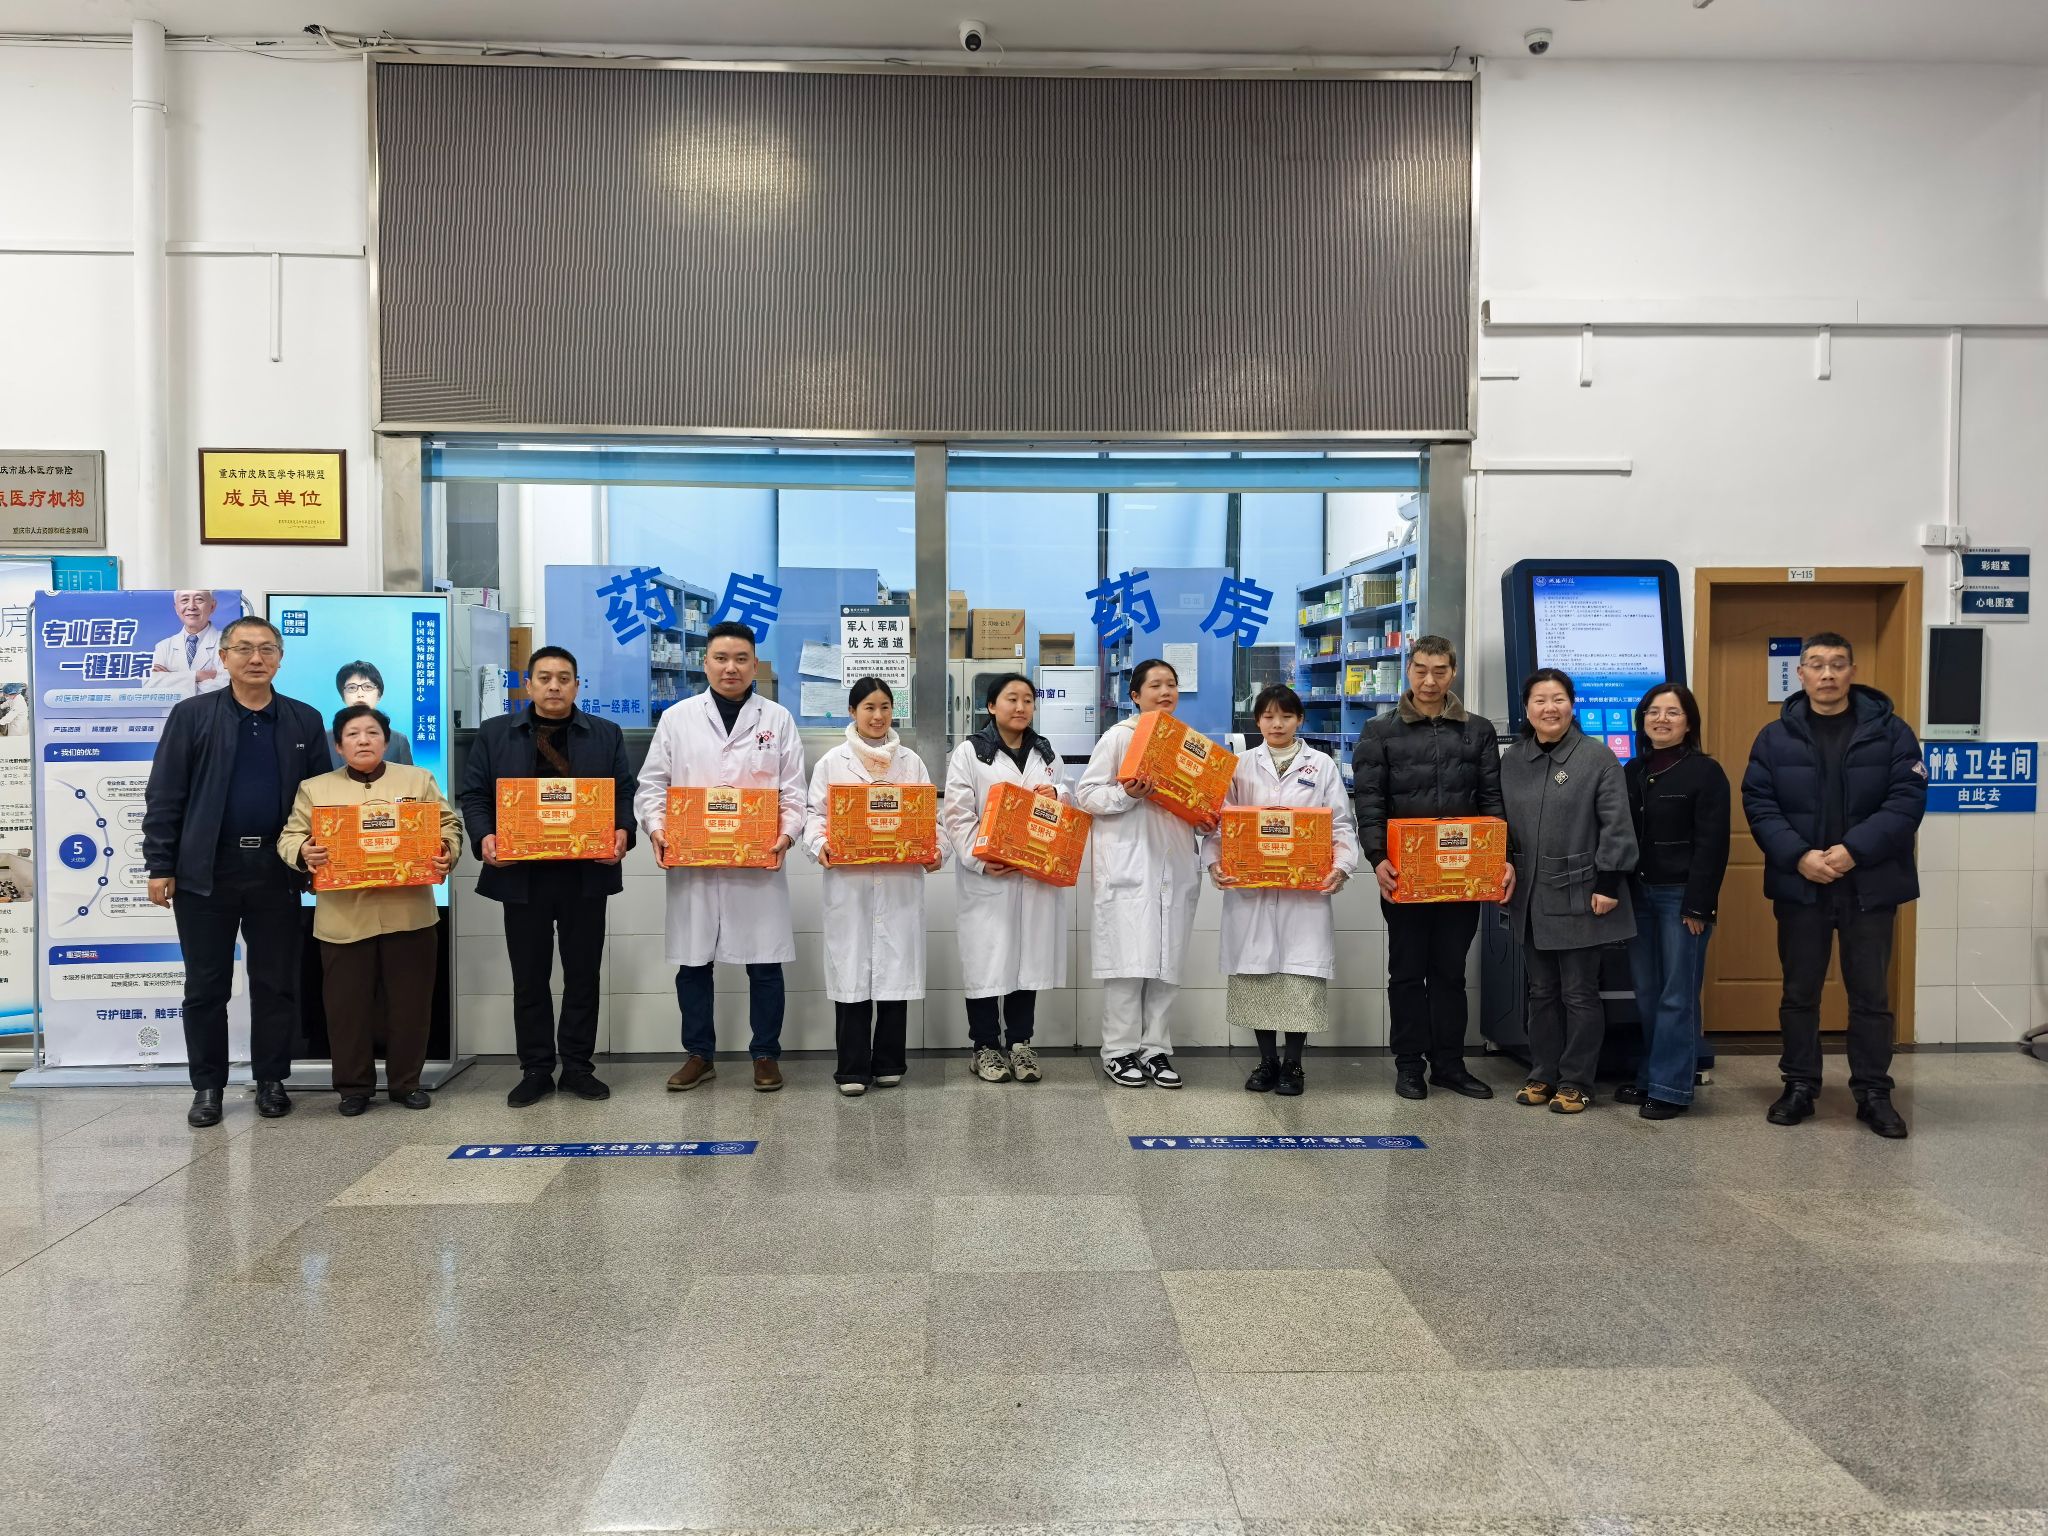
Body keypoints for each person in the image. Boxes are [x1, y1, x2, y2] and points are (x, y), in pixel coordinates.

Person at [142, 615, 329, 1127]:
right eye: (244, 649)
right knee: (206, 987)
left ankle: (271, 1080)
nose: (255, 659)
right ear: (223, 658)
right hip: (206, 870)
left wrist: (317, 859)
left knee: (275, 983)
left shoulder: (303, 719)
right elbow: (165, 794)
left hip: (276, 868)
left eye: (267, 649)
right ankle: (208, 1087)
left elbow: (322, 801)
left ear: (280, 659)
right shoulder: (192, 715)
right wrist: (160, 863)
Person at [1742, 632, 1925, 1139]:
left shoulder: (1892, 733)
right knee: (1799, 992)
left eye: (1838, 664)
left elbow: (1907, 801)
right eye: (1817, 665)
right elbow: (1759, 804)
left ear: (1853, 672)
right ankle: (1800, 1085)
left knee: (1870, 995)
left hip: (1870, 884)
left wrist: (1853, 851)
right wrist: (1799, 856)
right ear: (1799, 674)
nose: (1827, 674)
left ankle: (1874, 1093)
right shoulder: (1774, 738)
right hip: (1802, 886)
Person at [458, 644, 636, 1107]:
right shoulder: (496, 733)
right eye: (544, 678)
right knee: (529, 977)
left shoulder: (605, 733)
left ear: (577, 685)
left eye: (563, 678)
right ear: (528, 685)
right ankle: (536, 1069)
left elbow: (623, 793)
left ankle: (577, 1067)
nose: (554, 686)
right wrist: (484, 837)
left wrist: (623, 832)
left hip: (585, 874)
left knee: (583, 975)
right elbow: (474, 794)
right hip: (522, 876)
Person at [634, 621, 805, 1092]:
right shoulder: (678, 718)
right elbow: (652, 785)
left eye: (741, 659)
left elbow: (794, 792)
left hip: (758, 863)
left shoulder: (777, 720)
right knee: (693, 965)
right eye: (721, 658)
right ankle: (699, 1054)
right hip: (695, 864)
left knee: (764, 965)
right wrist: (657, 829)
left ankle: (766, 1055)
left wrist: (787, 835)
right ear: (705, 663)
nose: (731, 668)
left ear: (755, 664)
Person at [277, 704, 461, 1115]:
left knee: (411, 1004)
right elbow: (289, 836)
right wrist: (303, 850)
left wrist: (447, 850)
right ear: (339, 746)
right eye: (353, 735)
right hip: (343, 917)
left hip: (409, 913)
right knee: (347, 1008)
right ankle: (353, 1087)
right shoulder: (315, 788)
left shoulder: (418, 779)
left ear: (386, 740)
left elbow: (448, 824)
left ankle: (406, 1083)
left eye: (373, 733)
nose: (364, 740)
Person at [1351, 634, 1511, 1100]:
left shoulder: (1477, 731)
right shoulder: (1380, 731)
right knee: (1406, 973)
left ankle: (1449, 1065)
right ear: (1408, 670)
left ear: (1452, 673)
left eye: (1440, 671)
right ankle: (1408, 1066)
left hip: (1462, 873)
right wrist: (1377, 858)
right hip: (1406, 874)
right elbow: (1370, 801)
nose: (1429, 680)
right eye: (1421, 669)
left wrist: (1501, 858)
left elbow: (1492, 800)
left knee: (1450, 973)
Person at [1498, 668, 1638, 1115]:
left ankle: (1576, 1081)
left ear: (1572, 705)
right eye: (1539, 700)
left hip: (1582, 893)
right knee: (1540, 991)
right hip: (1529, 896)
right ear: (1526, 708)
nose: (1549, 708)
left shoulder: (1597, 757)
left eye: (1558, 699)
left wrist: (1609, 882)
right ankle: (1542, 1072)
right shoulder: (1513, 760)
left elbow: (1617, 824)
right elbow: (1500, 822)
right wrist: (1500, 862)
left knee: (1579, 992)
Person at [1207, 684, 1358, 1095]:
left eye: (1286, 716)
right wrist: (1214, 863)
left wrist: (1342, 867)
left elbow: (1340, 824)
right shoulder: (1239, 765)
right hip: (1252, 893)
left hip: (1302, 896)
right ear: (1257, 720)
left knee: (1298, 980)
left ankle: (1293, 1065)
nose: (1277, 724)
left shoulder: (1320, 766)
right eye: (1269, 716)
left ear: (1299, 720)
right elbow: (1219, 823)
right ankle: (1266, 1062)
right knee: (1257, 980)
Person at [1076, 658, 1213, 1089]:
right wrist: (1127, 795)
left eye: (1171, 684)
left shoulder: (1189, 744)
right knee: (1128, 964)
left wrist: (1206, 818)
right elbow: (1087, 795)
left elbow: (1201, 804)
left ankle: (1155, 1049)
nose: (1165, 692)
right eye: (1155, 685)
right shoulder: (1119, 737)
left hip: (1176, 866)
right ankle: (1118, 1051)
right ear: (1135, 695)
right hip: (1130, 868)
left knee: (1166, 965)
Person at [804, 677, 943, 1097]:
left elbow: (930, 819)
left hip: (898, 884)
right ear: (852, 712)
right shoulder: (833, 762)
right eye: (868, 707)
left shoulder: (911, 763)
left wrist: (938, 850)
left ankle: (888, 1062)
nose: (878, 716)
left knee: (893, 976)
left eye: (885, 707)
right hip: (851, 885)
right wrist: (820, 844)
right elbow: (814, 815)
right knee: (852, 977)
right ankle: (851, 1068)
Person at [942, 672, 1072, 1083]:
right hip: (989, 878)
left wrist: (1058, 797)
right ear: (991, 706)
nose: (1020, 707)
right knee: (986, 963)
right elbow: (957, 815)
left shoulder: (1046, 753)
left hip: (1033, 877)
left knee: (1026, 962)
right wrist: (979, 861)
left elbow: (1066, 802)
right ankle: (984, 1047)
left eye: (1028, 700)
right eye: (1011, 699)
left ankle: (1020, 1043)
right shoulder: (970, 753)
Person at [1621, 683, 1730, 1121]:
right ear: (1642, 720)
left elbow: (1713, 845)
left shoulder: (1705, 772)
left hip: (1681, 899)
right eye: (1653, 711)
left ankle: (1671, 1088)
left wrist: (1699, 905)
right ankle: (1652, 1076)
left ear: (1689, 723)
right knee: (1648, 992)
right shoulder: (1633, 770)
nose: (1661, 719)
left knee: (1677, 995)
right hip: (1638, 895)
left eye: (1672, 712)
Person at [328, 661, 413, 769]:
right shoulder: (325, 739)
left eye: (368, 687)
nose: (360, 694)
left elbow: (408, 778)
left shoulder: (398, 741)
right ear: (343, 696)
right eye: (352, 688)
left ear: (379, 695)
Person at [147, 589, 227, 695]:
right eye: (185, 600)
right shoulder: (163, 646)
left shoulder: (228, 642)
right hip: (178, 709)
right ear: (176, 608)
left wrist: (171, 679)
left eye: (199, 599)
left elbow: (226, 687)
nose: (191, 607)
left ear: (212, 606)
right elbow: (149, 687)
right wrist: (197, 675)